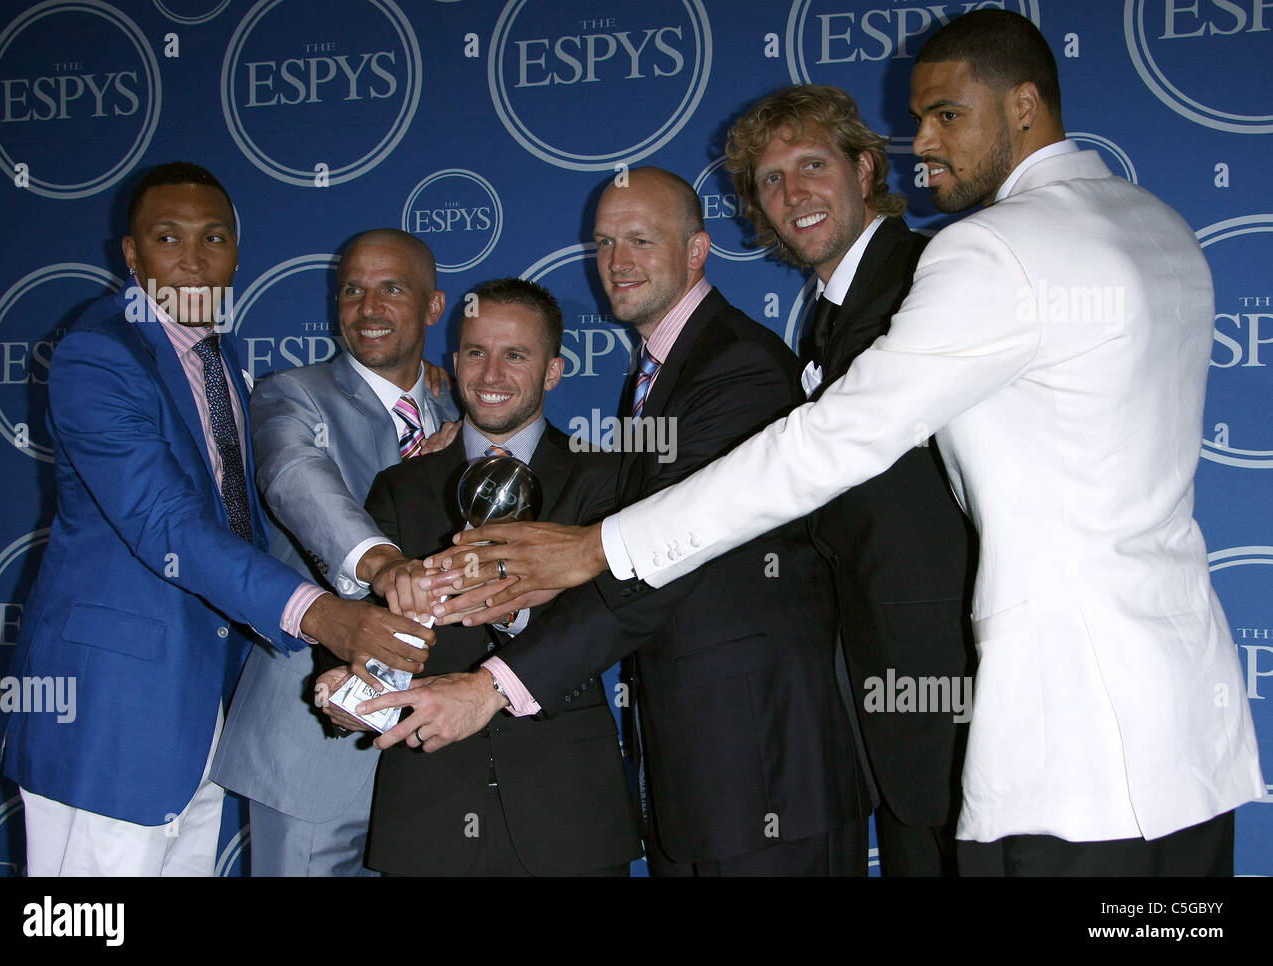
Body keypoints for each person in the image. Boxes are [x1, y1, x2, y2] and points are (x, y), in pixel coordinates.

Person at [419, 10, 1267, 876]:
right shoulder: (1152, 225)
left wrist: (599, 550)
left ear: (1022, 105)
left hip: (1062, 732)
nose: (923, 145)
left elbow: (827, 444)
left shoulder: (983, 254)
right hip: (1184, 720)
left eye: (945, 116)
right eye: (770, 180)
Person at [371, 168, 871, 875]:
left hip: (763, 768)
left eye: (641, 239)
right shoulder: (657, 376)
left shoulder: (736, 368)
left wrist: (492, 687)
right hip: (697, 776)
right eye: (604, 242)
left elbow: (664, 559)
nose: (617, 262)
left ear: (698, 250)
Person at [0, 163, 430, 876]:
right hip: (110, 713)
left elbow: (254, 514)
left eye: (214, 238)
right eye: (168, 238)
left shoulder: (219, 358)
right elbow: (168, 523)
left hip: (199, 714)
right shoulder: (98, 354)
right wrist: (325, 618)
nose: (193, 259)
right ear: (131, 255)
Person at [724, 83, 977, 876]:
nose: (792, 193)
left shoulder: (927, 278)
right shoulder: (826, 313)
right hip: (879, 690)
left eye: (811, 165)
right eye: (770, 180)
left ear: (866, 169)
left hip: (950, 680)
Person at [319, 277, 640, 875]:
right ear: (454, 359)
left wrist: (510, 601)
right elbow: (363, 620)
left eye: (515, 355)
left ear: (553, 372)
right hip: (428, 804)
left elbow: (614, 616)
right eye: (475, 352)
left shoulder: (605, 480)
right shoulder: (402, 486)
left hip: (569, 809)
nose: (491, 375)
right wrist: (345, 687)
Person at [209, 229, 459, 876]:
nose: (367, 307)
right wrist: (381, 564)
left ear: (434, 306)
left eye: (392, 289)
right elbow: (296, 479)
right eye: (352, 289)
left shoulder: (461, 405)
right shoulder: (289, 394)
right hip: (313, 744)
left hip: (437, 746)